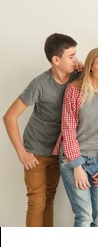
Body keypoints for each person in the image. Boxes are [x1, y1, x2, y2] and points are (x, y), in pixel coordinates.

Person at [2, 33, 80, 226]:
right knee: (37, 201)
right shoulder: (40, 84)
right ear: (56, 60)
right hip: (35, 151)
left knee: (49, 198)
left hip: (58, 151)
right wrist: (22, 153)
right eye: (71, 56)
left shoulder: (78, 76)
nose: (75, 60)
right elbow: (9, 116)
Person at [53, 47, 98, 227]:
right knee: (85, 216)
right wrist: (77, 166)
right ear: (90, 67)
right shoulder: (74, 90)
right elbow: (68, 129)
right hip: (73, 159)